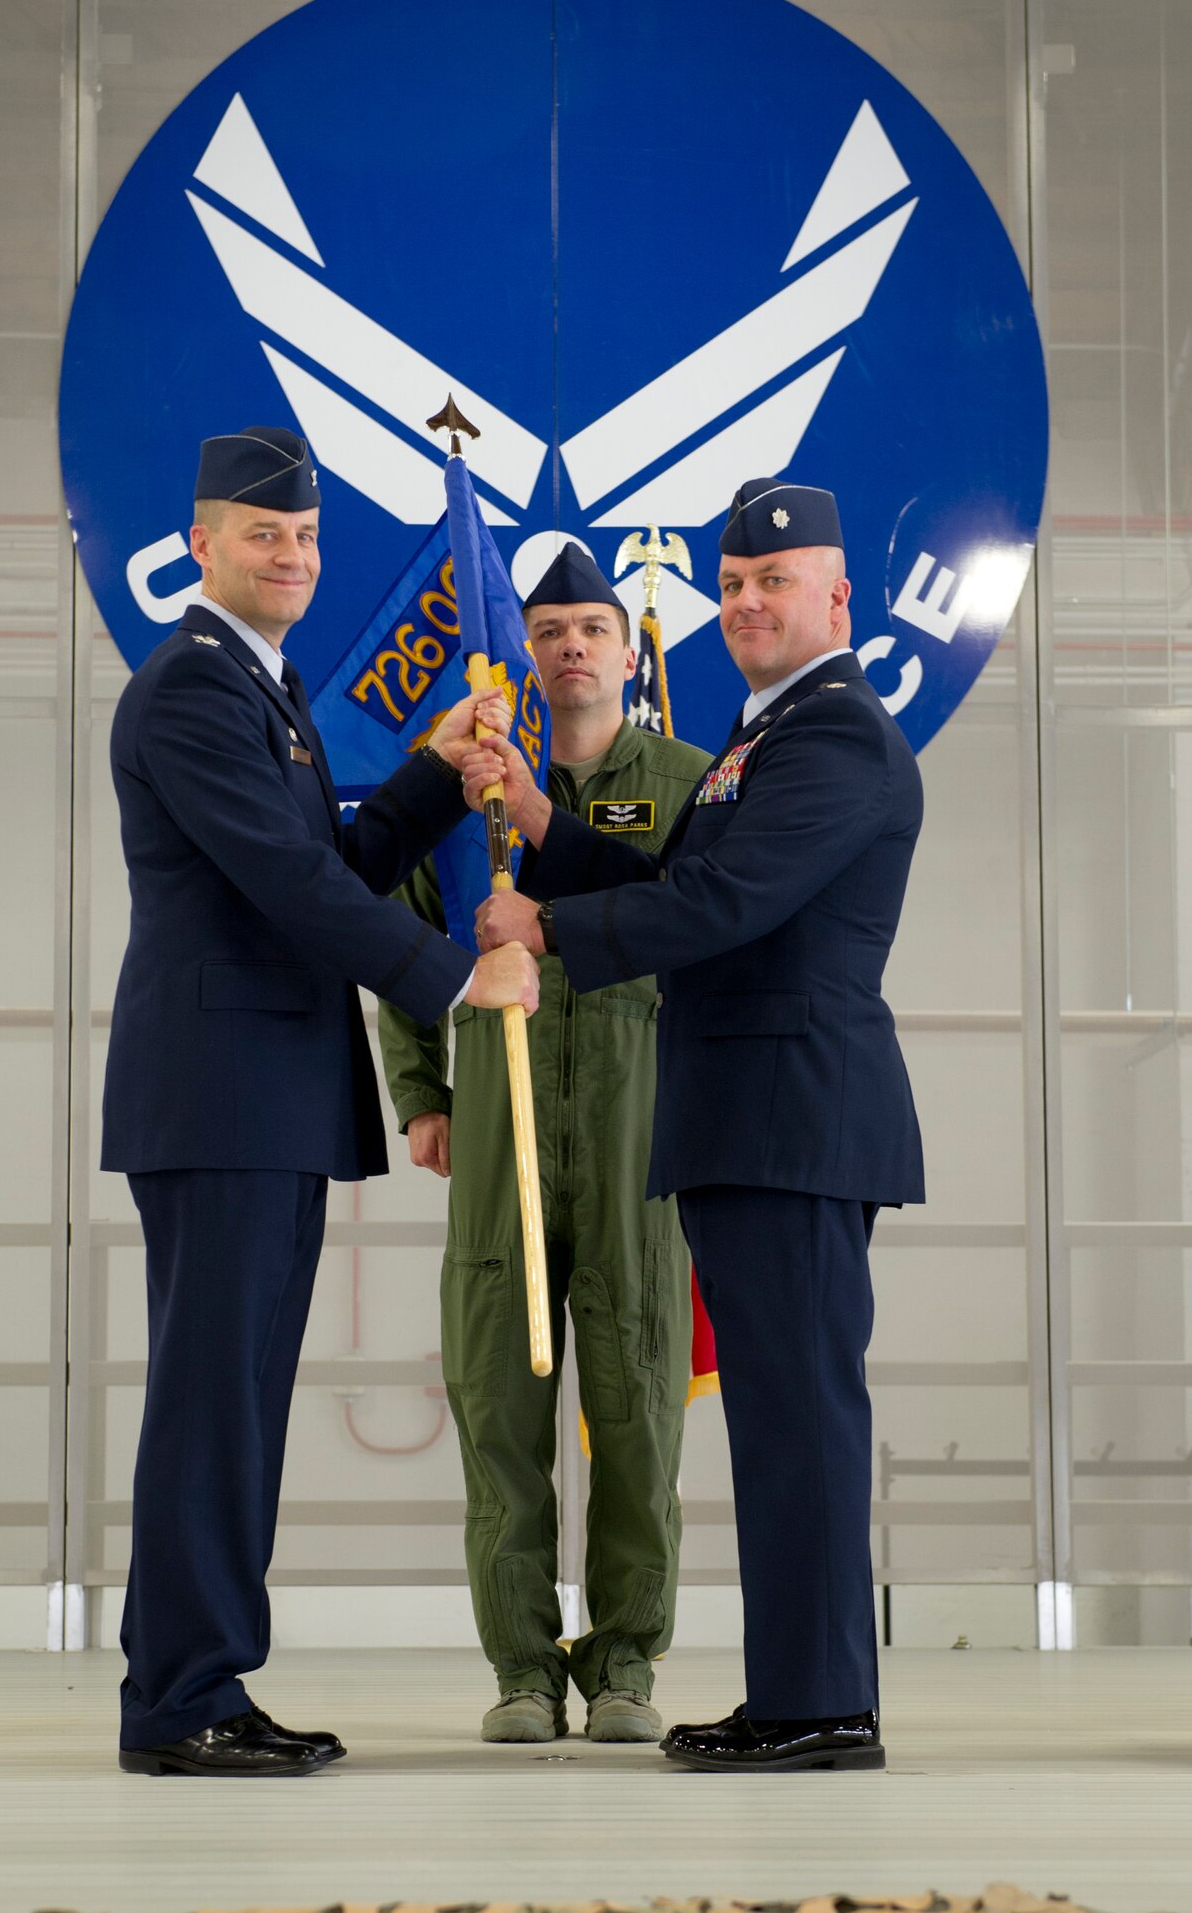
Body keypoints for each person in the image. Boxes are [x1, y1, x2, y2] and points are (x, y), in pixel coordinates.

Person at [103, 425, 538, 1778]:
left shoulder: (262, 690)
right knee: (212, 1403)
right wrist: (458, 979)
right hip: (224, 1097)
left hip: (263, 1097)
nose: (288, 554)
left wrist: (430, 770)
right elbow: (287, 892)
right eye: (260, 534)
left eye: (301, 538)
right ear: (201, 546)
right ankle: (180, 1699)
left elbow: (333, 856)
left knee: (234, 1400)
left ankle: (208, 1679)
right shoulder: (190, 690)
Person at [470, 478, 925, 1772]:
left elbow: (722, 905)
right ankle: (795, 1693)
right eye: (729, 586)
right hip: (746, 1122)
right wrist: (550, 837)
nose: (744, 603)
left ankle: (827, 1703)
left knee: (803, 1425)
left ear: (836, 596)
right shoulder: (757, 740)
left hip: (793, 1120)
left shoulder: (831, 736)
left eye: (772, 583)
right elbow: (681, 881)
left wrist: (548, 925)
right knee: (779, 1427)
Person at [379, 543, 712, 1746]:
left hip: (636, 1127)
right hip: (498, 1127)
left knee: (634, 1404)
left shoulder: (687, 782)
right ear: (518, 653)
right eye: (548, 628)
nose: (570, 645)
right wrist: (422, 1087)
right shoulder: (465, 790)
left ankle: (625, 1660)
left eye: (592, 627)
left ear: (627, 652)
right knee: (497, 1406)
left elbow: (710, 923)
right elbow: (400, 938)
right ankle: (522, 1666)